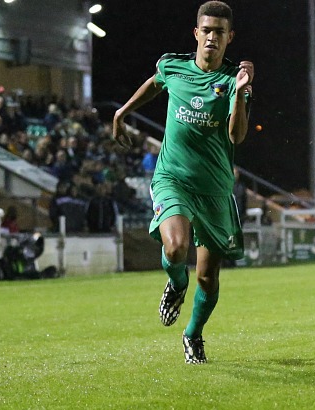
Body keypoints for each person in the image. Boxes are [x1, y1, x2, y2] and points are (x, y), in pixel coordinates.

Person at [112, 1, 254, 364]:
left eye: (219, 32)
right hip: (172, 178)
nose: (212, 37)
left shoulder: (233, 79)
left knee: (208, 278)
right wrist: (123, 112)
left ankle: (193, 334)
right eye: (206, 30)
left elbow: (236, 136)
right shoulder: (173, 65)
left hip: (215, 189)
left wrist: (241, 92)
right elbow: (154, 84)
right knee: (175, 248)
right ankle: (176, 282)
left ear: (229, 38)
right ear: (196, 33)